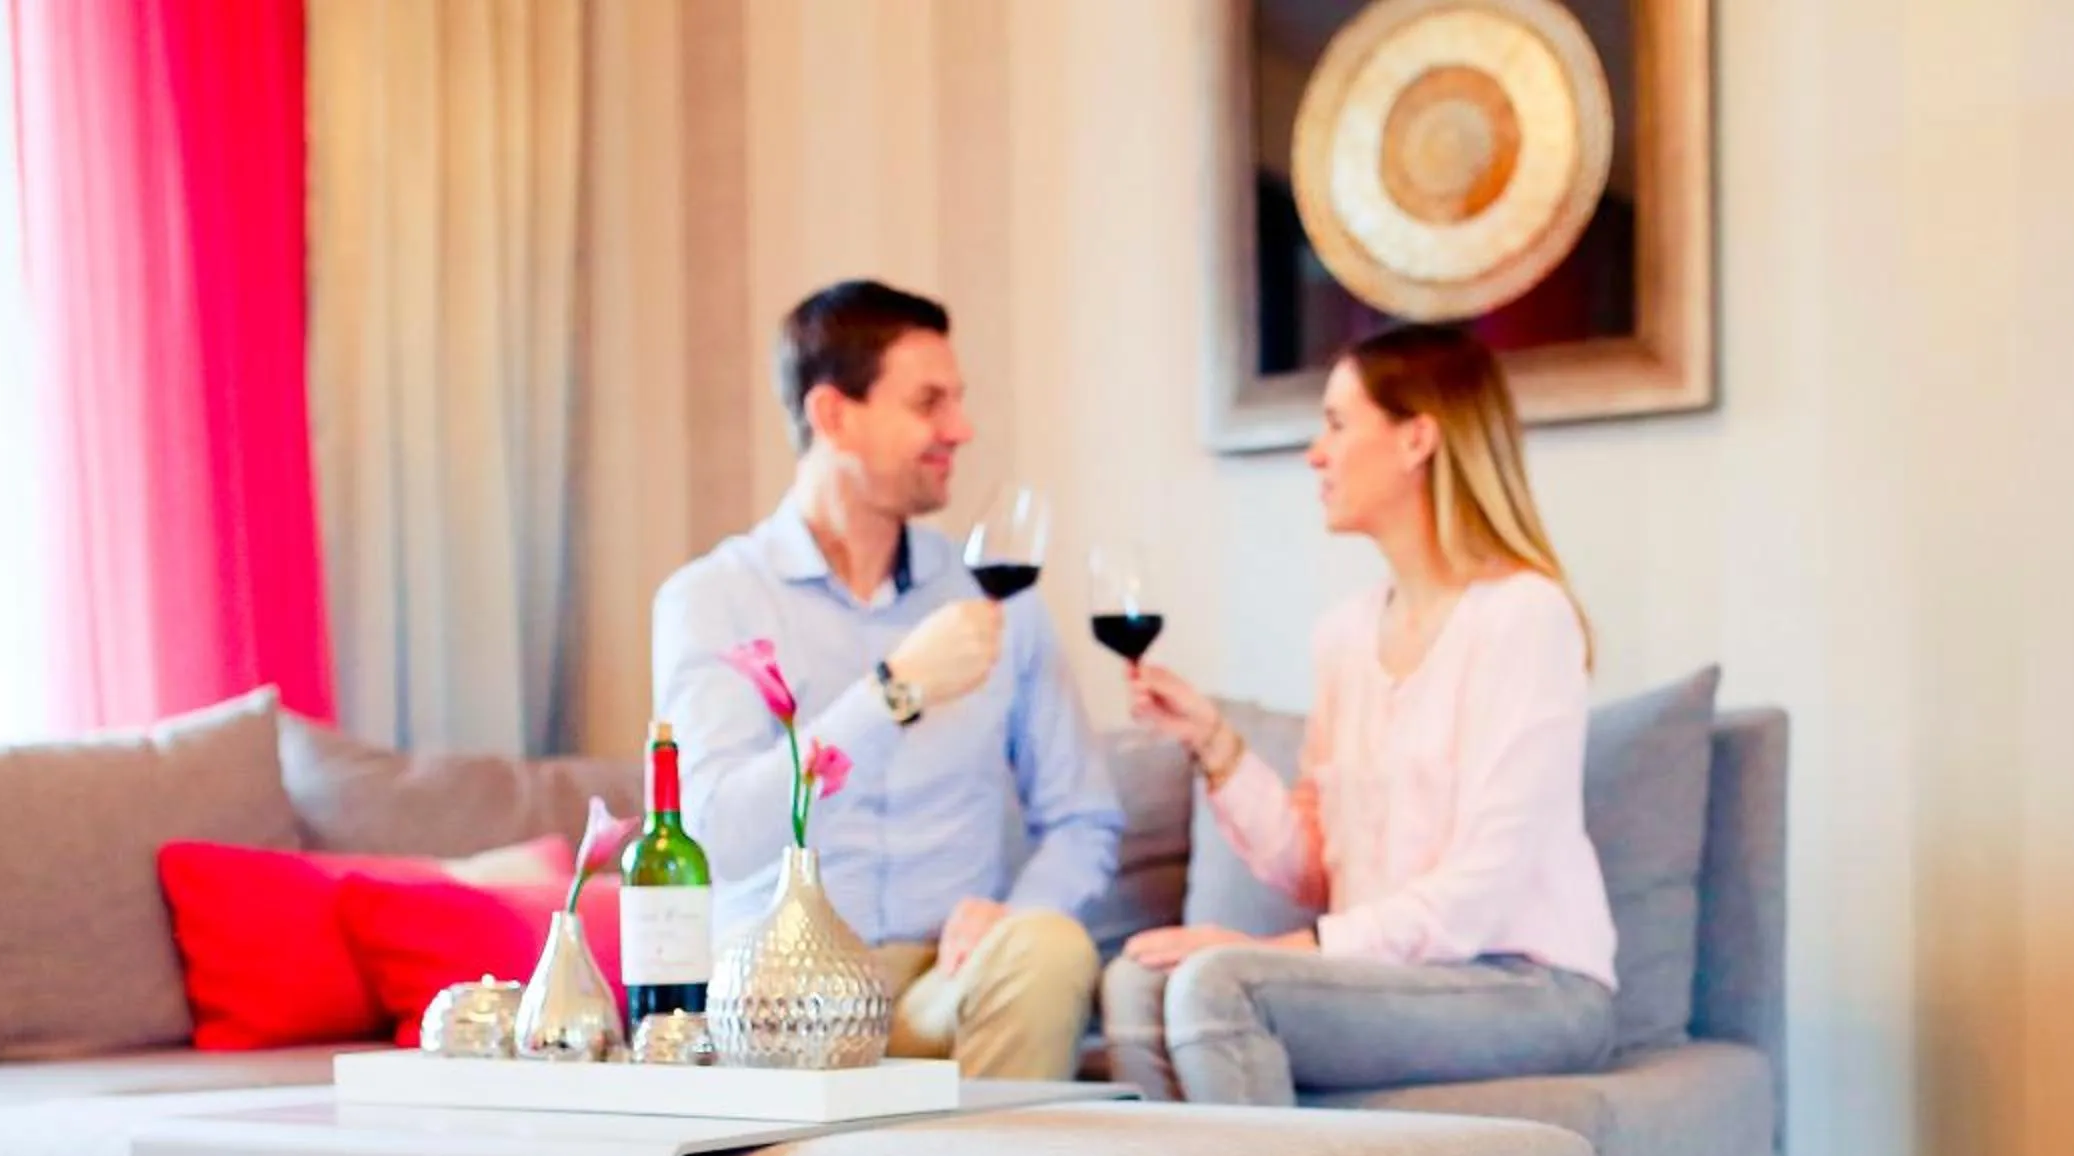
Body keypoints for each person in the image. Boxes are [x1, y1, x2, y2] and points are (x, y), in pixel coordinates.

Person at [1103, 322, 1616, 1106]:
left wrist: (1286, 951)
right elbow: (1316, 869)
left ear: (1417, 439)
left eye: (1337, 424)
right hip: (1385, 971)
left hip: (1527, 984)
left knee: (1220, 986)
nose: (1315, 452)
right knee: (1138, 980)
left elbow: (1481, 889)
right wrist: (1215, 744)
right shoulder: (1344, 636)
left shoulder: (1523, 618)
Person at [651, 280, 1122, 1079]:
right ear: (834, 415)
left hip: (943, 973)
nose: (961, 430)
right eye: (929, 403)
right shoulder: (713, 598)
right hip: (777, 984)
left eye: (958, 402)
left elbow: (1084, 819)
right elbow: (718, 837)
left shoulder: (996, 598)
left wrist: (1017, 911)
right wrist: (889, 694)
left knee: (1048, 947)